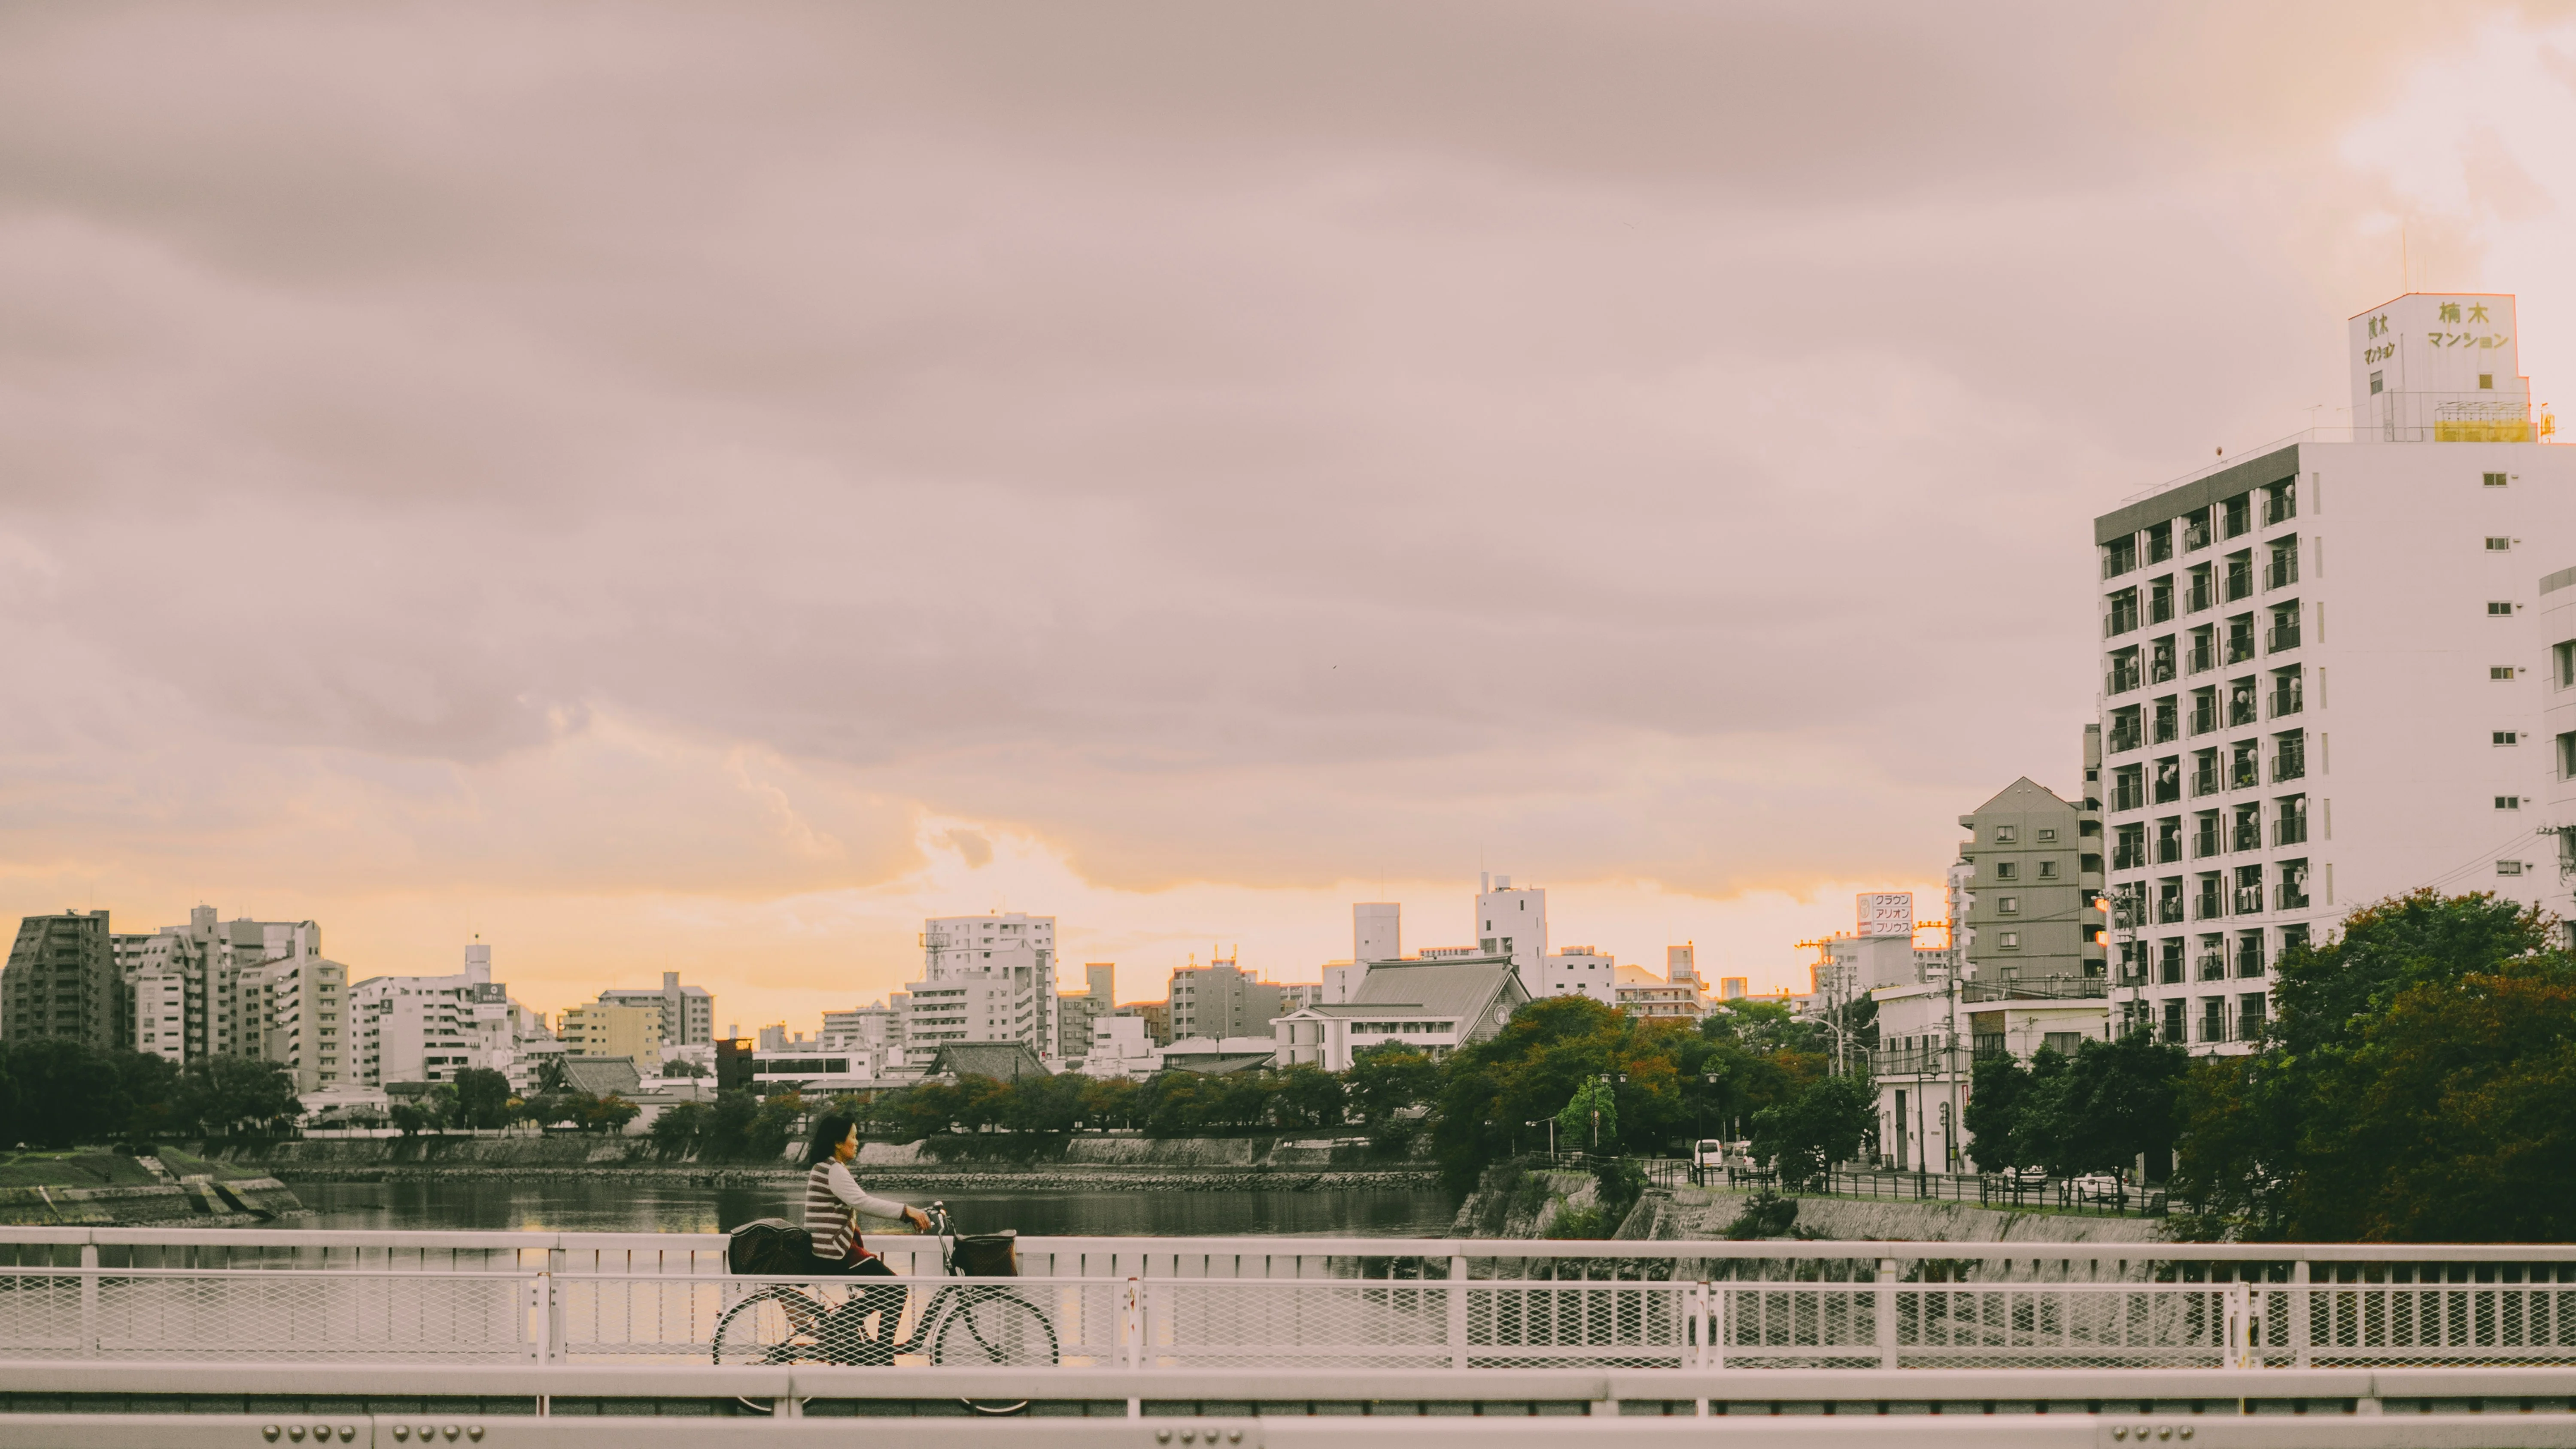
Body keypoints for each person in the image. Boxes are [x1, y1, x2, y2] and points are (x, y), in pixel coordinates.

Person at [802, 1110, 930, 1362]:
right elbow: (862, 1202)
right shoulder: (833, 1169)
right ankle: (880, 1357)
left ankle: (843, 1328)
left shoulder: (827, 1167)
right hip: (834, 1252)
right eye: (854, 1137)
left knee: (887, 1292)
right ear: (838, 1142)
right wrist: (907, 1212)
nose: (857, 1143)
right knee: (895, 1291)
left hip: (833, 1249)